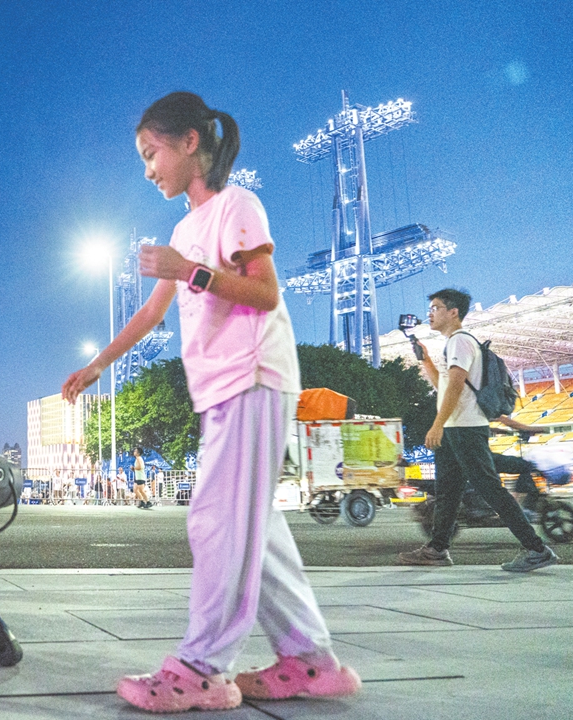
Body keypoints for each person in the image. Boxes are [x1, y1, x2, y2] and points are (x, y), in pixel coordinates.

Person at [62, 92, 360, 713]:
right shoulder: (183, 229)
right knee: (255, 529)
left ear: (190, 142)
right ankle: (309, 661)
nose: (148, 170)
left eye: (152, 153)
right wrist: (97, 365)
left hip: (252, 376)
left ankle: (202, 669)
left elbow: (265, 292)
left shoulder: (236, 206)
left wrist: (189, 271)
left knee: (217, 522)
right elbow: (152, 313)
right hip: (222, 387)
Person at [399, 289, 557, 573]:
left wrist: (437, 424)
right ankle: (437, 549)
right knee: (448, 492)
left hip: (465, 428)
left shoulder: (460, 341)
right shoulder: (453, 344)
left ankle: (536, 549)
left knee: (489, 489)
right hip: (456, 429)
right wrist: (425, 360)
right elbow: (443, 387)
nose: (430, 313)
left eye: (436, 308)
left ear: (453, 312)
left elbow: (456, 385)